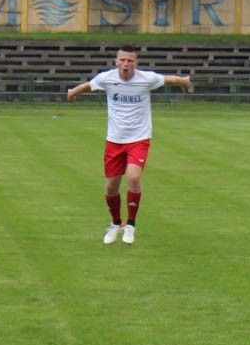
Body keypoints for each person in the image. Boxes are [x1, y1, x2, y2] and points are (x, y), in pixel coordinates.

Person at [66, 45, 191, 245]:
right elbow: (89, 85)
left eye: (130, 60)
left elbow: (171, 79)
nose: (125, 64)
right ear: (116, 61)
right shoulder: (107, 78)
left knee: (133, 177)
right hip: (114, 140)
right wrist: (73, 92)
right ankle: (116, 223)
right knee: (111, 187)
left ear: (136, 62)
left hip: (139, 139)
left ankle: (131, 225)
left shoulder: (146, 79)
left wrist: (185, 82)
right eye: (122, 60)